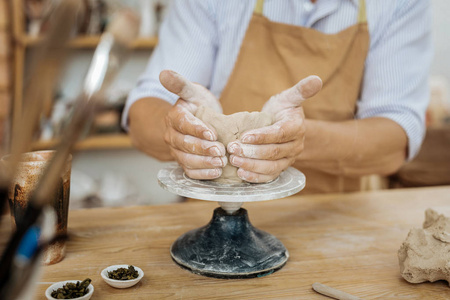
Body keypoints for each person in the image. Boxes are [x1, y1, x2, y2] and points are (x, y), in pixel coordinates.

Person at [122, 0, 433, 194]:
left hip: (336, 218)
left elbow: (396, 138)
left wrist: (296, 140)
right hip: (212, 213)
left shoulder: (400, 3)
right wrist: (180, 130)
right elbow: (143, 112)